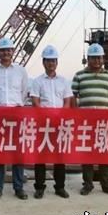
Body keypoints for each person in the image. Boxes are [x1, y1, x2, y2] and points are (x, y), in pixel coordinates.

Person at [72, 43, 108, 196]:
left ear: (103, 59)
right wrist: (76, 115)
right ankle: (88, 184)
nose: (96, 61)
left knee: (104, 153)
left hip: (105, 123)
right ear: (88, 59)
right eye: (93, 58)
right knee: (87, 154)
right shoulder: (79, 75)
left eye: (99, 58)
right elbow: (73, 96)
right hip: (86, 123)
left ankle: (106, 185)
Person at [0, 37, 29, 200]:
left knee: (18, 153)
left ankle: (18, 187)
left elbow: (23, 93)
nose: (6, 53)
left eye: (8, 50)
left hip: (16, 115)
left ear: (13, 51)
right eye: (2, 50)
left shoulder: (21, 71)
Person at [30, 45, 73, 199]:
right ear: (43, 62)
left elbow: (67, 101)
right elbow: (35, 101)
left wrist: (61, 116)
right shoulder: (37, 81)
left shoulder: (64, 81)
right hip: (43, 124)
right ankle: (39, 187)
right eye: (48, 60)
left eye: (53, 60)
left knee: (59, 157)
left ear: (57, 62)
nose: (51, 63)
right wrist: (46, 117)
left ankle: (59, 187)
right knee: (40, 156)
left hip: (60, 124)